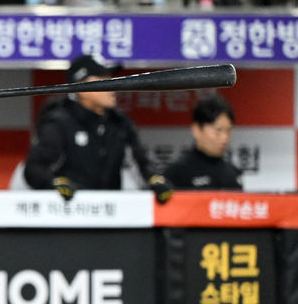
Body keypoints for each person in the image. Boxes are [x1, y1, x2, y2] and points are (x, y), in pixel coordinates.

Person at [23, 54, 174, 202]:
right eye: (102, 79)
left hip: (111, 211)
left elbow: (140, 162)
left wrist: (154, 179)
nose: (112, 86)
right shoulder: (59, 122)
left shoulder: (119, 122)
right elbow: (34, 169)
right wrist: (54, 183)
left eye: (110, 79)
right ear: (81, 86)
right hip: (69, 211)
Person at [164, 95, 243, 189]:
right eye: (218, 130)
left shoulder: (233, 173)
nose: (224, 138)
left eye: (228, 130)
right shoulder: (177, 173)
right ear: (197, 130)